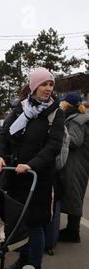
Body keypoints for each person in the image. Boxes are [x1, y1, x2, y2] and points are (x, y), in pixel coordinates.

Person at [0, 67, 65, 269]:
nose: (48, 89)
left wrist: (31, 165)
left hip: (37, 178)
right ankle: (23, 261)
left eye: (51, 84)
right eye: (44, 84)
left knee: (35, 223)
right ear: (33, 87)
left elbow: (53, 146)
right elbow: (4, 136)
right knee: (19, 221)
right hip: (15, 176)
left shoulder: (55, 113)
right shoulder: (20, 109)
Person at [57, 93, 89, 243]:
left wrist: (59, 134)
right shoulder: (80, 117)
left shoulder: (76, 121)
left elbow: (75, 141)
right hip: (81, 162)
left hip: (76, 163)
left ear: (66, 104)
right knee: (74, 195)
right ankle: (71, 230)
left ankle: (73, 232)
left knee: (74, 195)